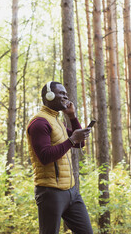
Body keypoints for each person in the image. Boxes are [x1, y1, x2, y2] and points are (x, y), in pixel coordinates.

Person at [26, 81, 93, 234]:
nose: (66, 96)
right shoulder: (39, 122)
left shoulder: (57, 121)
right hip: (50, 193)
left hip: (71, 191)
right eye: (61, 93)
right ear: (49, 96)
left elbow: (79, 143)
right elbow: (44, 156)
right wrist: (71, 140)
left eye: (66, 94)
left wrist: (72, 117)